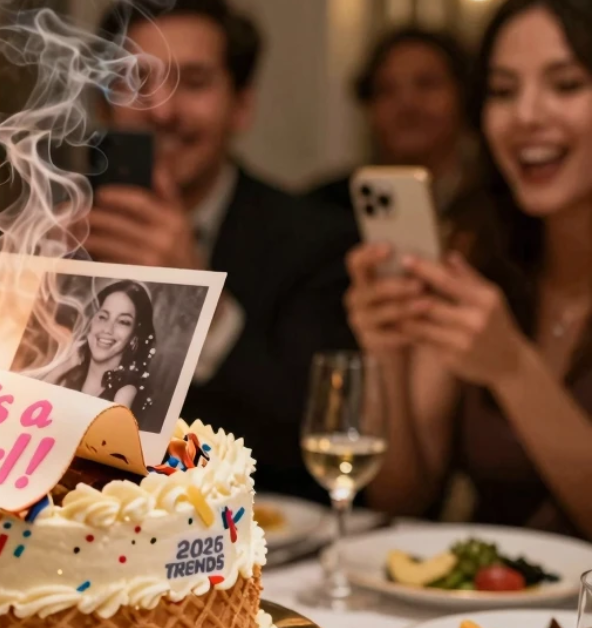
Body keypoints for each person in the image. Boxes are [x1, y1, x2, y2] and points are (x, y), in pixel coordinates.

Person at [83, 0, 359, 501]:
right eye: (138, 82)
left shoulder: (315, 242)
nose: (163, 111)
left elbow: (311, 445)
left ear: (241, 106)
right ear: (105, 104)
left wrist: (198, 308)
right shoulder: (59, 228)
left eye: (194, 82)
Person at [347, 0, 592, 538]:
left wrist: (510, 368)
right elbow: (404, 497)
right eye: (503, 92)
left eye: (567, 84)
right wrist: (385, 353)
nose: (526, 115)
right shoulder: (477, 251)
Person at [308, 28, 474, 219]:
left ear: (463, 95)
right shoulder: (326, 208)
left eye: (426, 84)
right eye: (386, 90)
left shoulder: (499, 202)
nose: (407, 104)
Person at [45, 280, 156, 418]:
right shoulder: (67, 375)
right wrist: (65, 365)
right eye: (103, 317)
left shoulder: (125, 393)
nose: (107, 329)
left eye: (123, 322)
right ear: (89, 322)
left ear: (134, 335)